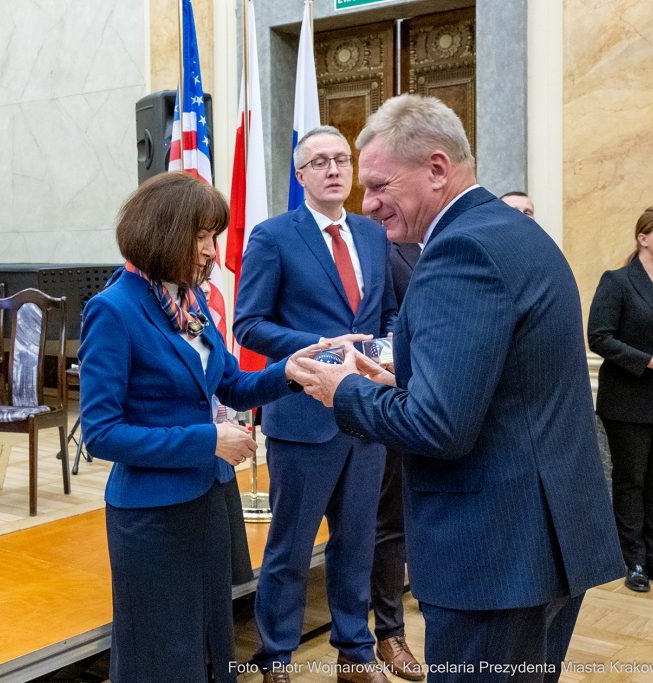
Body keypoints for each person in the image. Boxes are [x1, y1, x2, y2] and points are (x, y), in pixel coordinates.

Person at [291, 95, 623, 683]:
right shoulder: (511, 231)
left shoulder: (458, 251)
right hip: (544, 540)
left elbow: (440, 428)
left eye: (379, 186)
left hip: (493, 553)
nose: (367, 205)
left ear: (438, 169)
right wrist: (400, 380)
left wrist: (344, 390)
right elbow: (507, 382)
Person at [78, 171, 313, 683]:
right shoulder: (113, 311)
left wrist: (292, 370)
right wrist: (210, 441)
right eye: (201, 237)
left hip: (208, 503)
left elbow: (230, 384)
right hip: (152, 517)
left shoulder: (190, 302)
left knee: (209, 647)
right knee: (160, 657)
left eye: (213, 236)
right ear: (164, 233)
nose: (211, 251)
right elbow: (101, 433)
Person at [234, 125, 398, 683]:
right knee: (290, 547)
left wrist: (388, 354)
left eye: (342, 160)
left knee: (357, 544)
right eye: (320, 162)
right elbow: (249, 325)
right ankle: (275, 655)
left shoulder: (375, 236)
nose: (334, 169)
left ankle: (355, 653)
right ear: (300, 176)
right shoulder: (273, 236)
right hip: (302, 418)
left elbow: (389, 315)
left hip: (367, 415)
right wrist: (320, 348)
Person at [588, 206, 653, 593]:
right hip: (630, 399)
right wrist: (652, 362)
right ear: (643, 237)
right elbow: (599, 336)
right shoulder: (617, 281)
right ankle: (631, 560)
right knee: (631, 482)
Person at [368, 238, 424, 682]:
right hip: (396, 398)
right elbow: (385, 318)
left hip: (457, 400)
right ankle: (389, 631)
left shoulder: (460, 240)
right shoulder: (386, 249)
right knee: (392, 520)